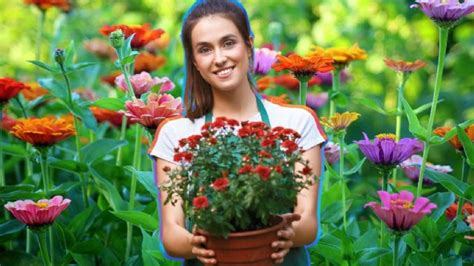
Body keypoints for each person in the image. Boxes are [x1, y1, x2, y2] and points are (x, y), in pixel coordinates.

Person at [148, 0, 327, 265]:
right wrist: (196, 244)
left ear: (249, 45)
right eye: (205, 49)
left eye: (228, 43)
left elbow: (308, 223)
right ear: (195, 62)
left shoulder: (297, 122)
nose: (219, 58)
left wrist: (288, 233)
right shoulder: (176, 133)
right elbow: (171, 234)